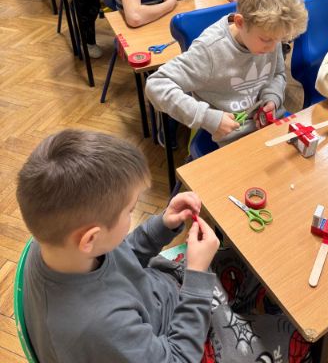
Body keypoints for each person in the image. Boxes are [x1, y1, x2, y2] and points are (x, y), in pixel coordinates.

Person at [16, 128, 311, 363]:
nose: (133, 215)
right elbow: (178, 358)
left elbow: (122, 255)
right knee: (296, 337)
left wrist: (163, 225)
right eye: (130, 211)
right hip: (177, 344)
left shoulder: (59, 245)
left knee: (255, 263)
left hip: (168, 296)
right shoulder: (98, 327)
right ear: (90, 238)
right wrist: (197, 276)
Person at [146, 0, 308, 145]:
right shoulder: (210, 50)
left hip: (269, 123)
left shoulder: (271, 33)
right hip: (232, 136)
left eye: (279, 40)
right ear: (240, 22)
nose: (273, 47)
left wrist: (272, 97)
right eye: (266, 40)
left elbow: (278, 73)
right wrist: (208, 118)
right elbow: (156, 84)